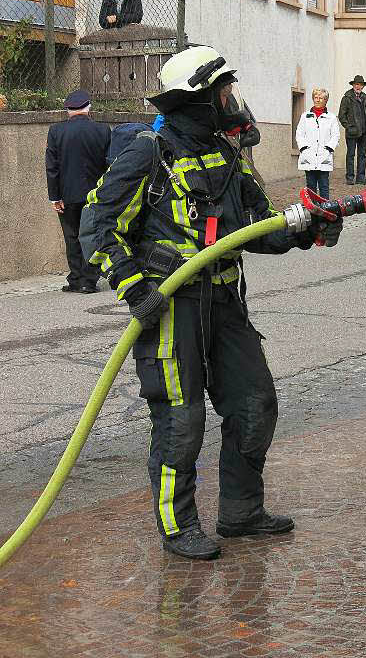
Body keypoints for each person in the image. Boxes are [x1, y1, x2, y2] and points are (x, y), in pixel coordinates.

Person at [80, 45, 344, 561]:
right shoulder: (148, 151)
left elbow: (259, 227)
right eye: (224, 91)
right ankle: (178, 527)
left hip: (224, 301)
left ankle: (241, 512)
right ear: (199, 101)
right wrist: (134, 287)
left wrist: (309, 229)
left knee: (255, 405)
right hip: (172, 306)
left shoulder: (227, 153)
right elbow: (98, 223)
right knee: (181, 422)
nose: (232, 100)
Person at [45, 89, 110, 294]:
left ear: (68, 110)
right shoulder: (103, 130)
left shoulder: (56, 131)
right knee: (91, 236)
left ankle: (75, 279)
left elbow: (52, 166)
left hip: (67, 194)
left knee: (71, 236)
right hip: (95, 194)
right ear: (89, 107)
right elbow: (109, 164)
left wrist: (55, 196)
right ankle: (88, 281)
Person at [296, 87, 340, 199]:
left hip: (324, 156)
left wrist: (329, 149)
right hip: (309, 155)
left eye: (320, 98)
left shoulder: (331, 117)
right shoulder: (305, 116)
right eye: (315, 97)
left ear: (326, 100)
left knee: (324, 185)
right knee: (310, 187)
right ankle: (313, 211)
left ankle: (326, 210)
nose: (317, 100)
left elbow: (335, 136)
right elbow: (299, 134)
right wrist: (303, 148)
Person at [338, 74, 366, 185]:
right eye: (356, 84)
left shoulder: (365, 97)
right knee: (351, 154)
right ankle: (350, 177)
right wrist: (349, 126)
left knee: (362, 155)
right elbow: (341, 115)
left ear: (363, 86)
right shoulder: (347, 97)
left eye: (360, 85)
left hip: (364, 131)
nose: (358, 86)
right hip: (352, 132)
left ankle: (361, 177)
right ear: (353, 85)